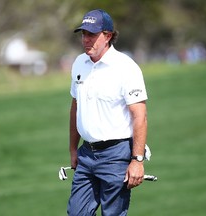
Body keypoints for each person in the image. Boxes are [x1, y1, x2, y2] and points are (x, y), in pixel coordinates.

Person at [67, 9, 148, 216]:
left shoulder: (126, 67)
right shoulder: (79, 63)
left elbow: (140, 116)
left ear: (108, 35)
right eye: (83, 34)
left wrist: (137, 161)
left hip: (116, 154)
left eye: (92, 35)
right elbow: (76, 107)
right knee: (77, 213)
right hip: (86, 154)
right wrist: (73, 149)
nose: (86, 39)